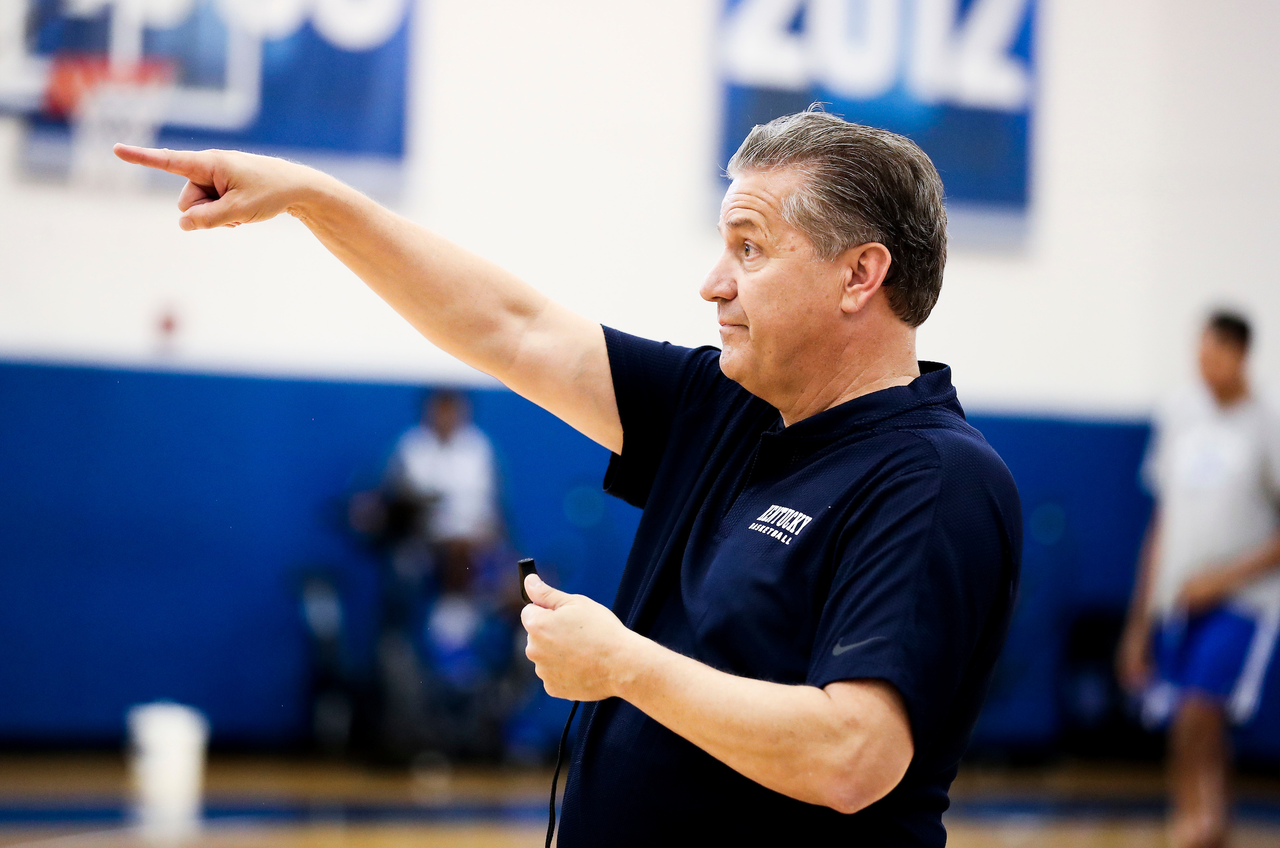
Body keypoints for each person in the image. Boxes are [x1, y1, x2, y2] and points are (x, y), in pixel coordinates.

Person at [114, 109, 1021, 846]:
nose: (714, 283)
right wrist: (314, 199)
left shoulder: (933, 478)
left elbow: (852, 757)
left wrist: (622, 664)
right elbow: (513, 328)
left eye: (750, 247)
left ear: (860, 275)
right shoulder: (726, 408)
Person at [1118, 311, 1280, 848]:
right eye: (1200, 355)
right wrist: (1140, 621)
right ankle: (1196, 819)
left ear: (1240, 356)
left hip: (1242, 601)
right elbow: (1162, 523)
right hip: (1178, 601)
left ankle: (1204, 824)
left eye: (1215, 356)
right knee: (1183, 718)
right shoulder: (1182, 417)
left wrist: (1223, 579)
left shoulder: (1266, 426)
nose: (1204, 367)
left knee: (1200, 710)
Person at [385, 389, 499, 594]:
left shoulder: (478, 447)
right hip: (423, 534)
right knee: (405, 565)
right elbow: (398, 493)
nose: (445, 417)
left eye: (452, 411)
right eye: (440, 411)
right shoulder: (412, 445)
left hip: (471, 534)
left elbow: (492, 502)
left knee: (468, 553)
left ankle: (455, 611)